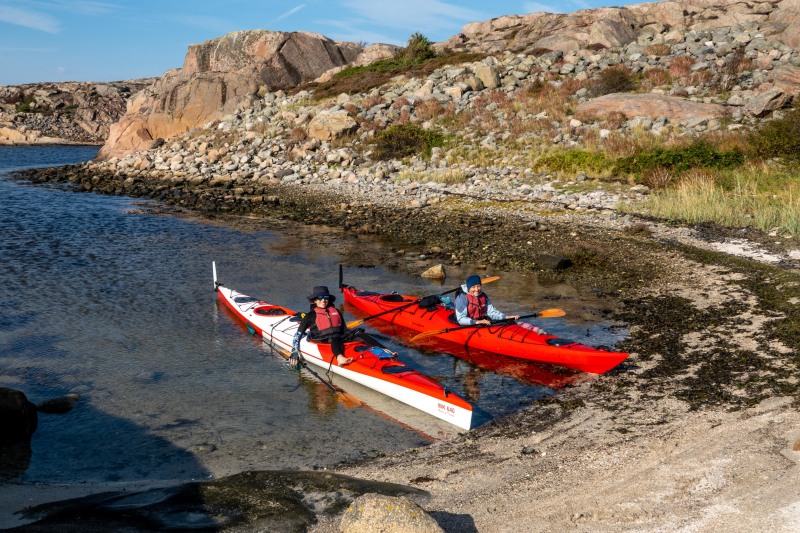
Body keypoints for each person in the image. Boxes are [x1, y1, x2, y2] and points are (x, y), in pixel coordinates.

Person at [290, 286, 354, 368]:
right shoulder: (310, 315)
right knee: (334, 337)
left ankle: (374, 351)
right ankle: (340, 358)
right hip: (321, 340)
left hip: (337, 338)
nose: (323, 300)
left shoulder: (335, 311)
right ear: (315, 300)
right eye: (320, 297)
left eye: (326, 297)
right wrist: (295, 351)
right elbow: (298, 334)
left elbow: (344, 329)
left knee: (360, 333)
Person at [454, 274, 520, 326]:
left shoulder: (483, 296)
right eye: (473, 287)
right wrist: (477, 322)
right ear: (468, 288)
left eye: (478, 286)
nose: (477, 289)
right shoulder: (462, 298)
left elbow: (491, 312)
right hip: (468, 323)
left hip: (481, 321)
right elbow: (461, 319)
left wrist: (506, 317)